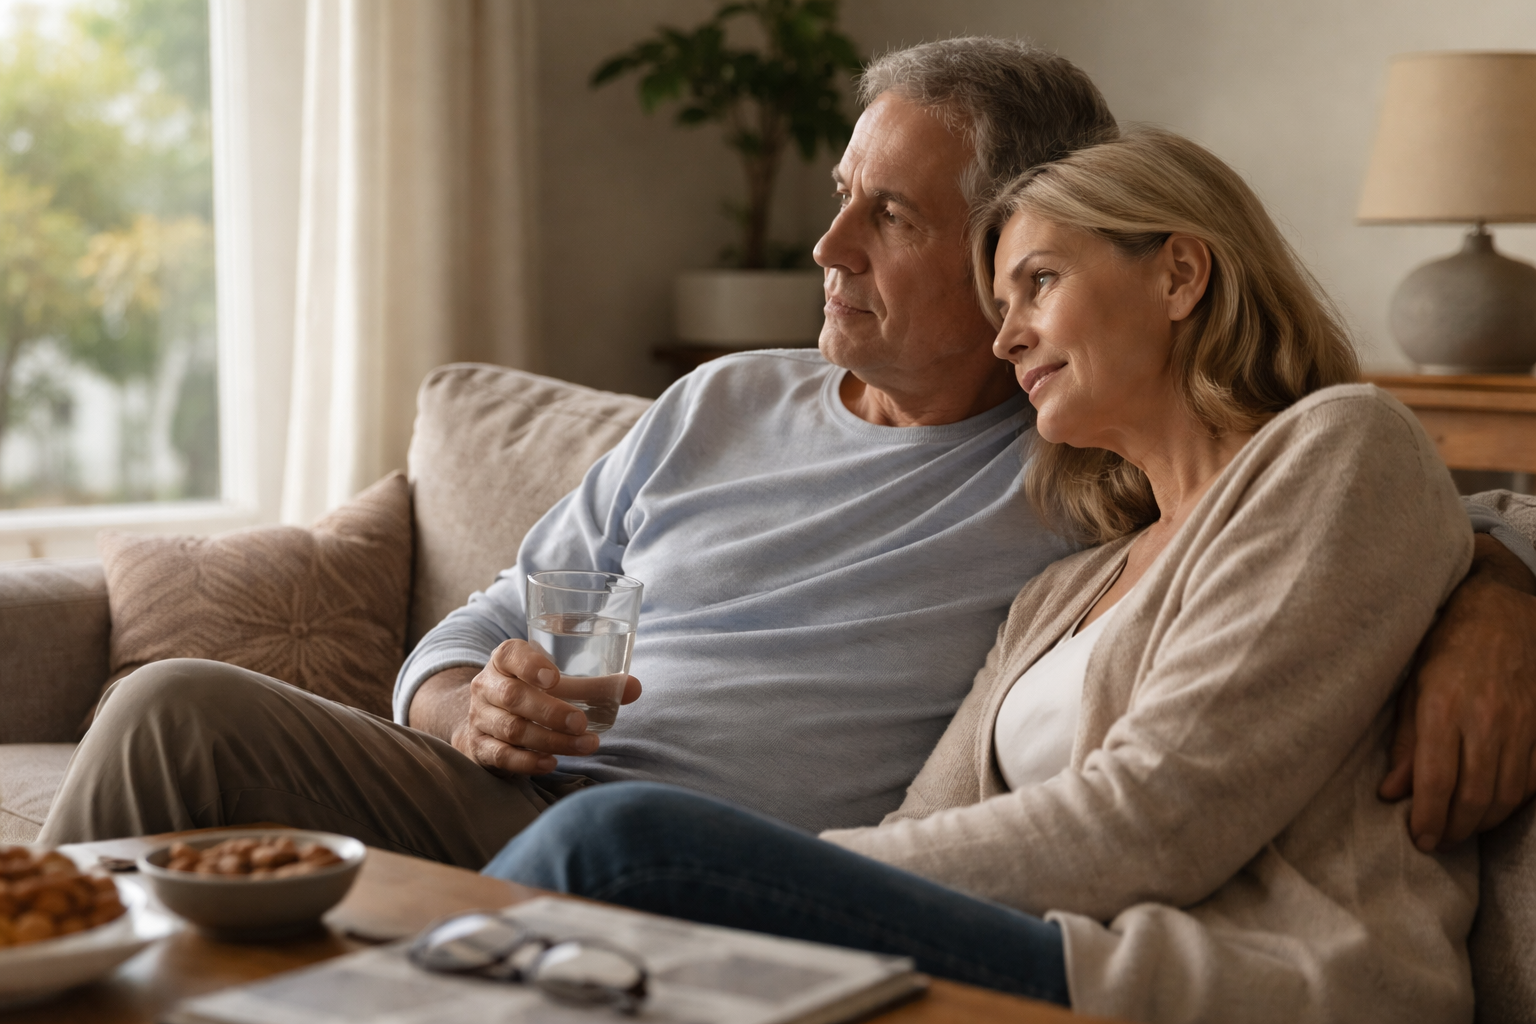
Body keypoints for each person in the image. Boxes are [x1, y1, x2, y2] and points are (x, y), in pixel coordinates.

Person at [37, 40, 1536, 863]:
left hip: (713, 858)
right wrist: (463, 704)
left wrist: (1499, 589)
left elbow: (1328, 490)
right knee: (175, 709)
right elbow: (492, 615)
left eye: (891, 217)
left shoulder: (1078, 448)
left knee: (609, 845)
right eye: (841, 196)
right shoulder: (720, 404)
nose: (827, 248)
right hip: (509, 797)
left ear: (1018, 242)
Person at [485, 126, 1483, 1024]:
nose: (1007, 337)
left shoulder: (1340, 446)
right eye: (1001, 303)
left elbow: (1157, 823)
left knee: (622, 847)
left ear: (1180, 275)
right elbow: (926, 824)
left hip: (1235, 986)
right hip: (1041, 956)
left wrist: (767, 880)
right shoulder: (1064, 585)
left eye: (1040, 283)